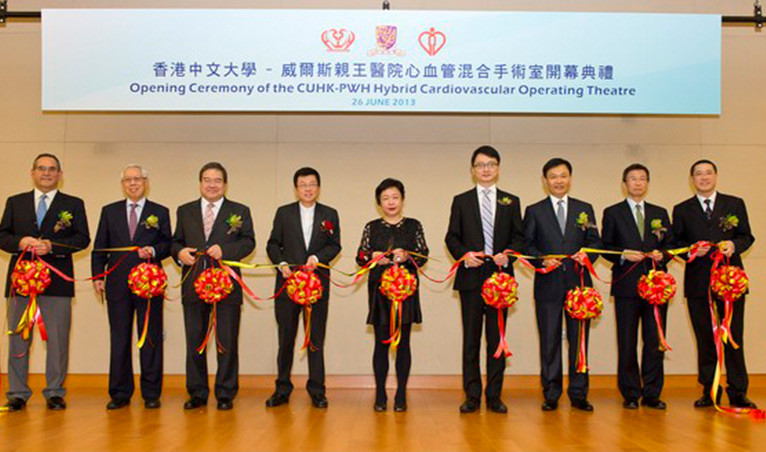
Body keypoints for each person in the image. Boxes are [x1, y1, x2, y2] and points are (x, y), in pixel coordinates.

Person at [0, 153, 90, 411]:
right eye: (41, 169)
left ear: (60, 175)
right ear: (32, 172)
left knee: (58, 339)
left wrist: (52, 246)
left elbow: (82, 239)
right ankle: (17, 392)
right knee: (17, 338)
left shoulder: (73, 203)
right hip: (20, 282)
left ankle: (54, 391)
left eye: (52, 169)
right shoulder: (15, 202)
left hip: (57, 282)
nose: (47, 173)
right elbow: (2, 236)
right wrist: (19, 242)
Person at [445, 146, 523, 414]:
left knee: (497, 338)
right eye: (480, 165)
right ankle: (472, 395)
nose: (486, 169)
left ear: (498, 168)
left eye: (491, 164)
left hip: (500, 279)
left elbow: (518, 237)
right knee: (471, 339)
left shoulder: (511, 201)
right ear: (472, 170)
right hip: (471, 277)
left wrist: (508, 255)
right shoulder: (461, 200)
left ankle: (494, 395)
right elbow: (451, 237)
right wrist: (464, 255)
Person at [672, 159, 756, 409]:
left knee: (733, 336)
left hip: (731, 281)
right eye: (698, 174)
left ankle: (738, 391)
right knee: (705, 337)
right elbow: (675, 244)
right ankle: (710, 390)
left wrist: (734, 245)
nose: (704, 177)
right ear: (692, 179)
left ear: (716, 176)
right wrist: (690, 252)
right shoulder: (682, 209)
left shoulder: (734, 203)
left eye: (708, 173)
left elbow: (746, 236)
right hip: (699, 282)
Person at [171, 162, 255, 411]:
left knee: (226, 341)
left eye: (217, 180)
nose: (212, 184)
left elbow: (249, 242)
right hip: (193, 285)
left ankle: (226, 392)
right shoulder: (185, 210)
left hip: (226, 286)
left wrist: (226, 250)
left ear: (225, 184)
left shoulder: (239, 210)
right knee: (194, 341)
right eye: (207, 180)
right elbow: (175, 241)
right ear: (200, 183)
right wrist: (180, 253)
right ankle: (197, 392)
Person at [91, 164, 172, 410]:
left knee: (150, 338)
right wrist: (98, 276)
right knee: (119, 338)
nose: (133, 183)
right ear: (123, 184)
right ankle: (119, 393)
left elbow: (169, 244)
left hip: (149, 283)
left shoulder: (160, 211)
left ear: (146, 182)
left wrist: (155, 250)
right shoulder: (109, 211)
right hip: (116, 284)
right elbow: (100, 247)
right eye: (128, 180)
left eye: (137, 179)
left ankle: (151, 393)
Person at [523, 157, 601, 412]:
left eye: (563, 175)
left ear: (570, 178)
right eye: (553, 176)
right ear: (545, 181)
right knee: (549, 340)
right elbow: (527, 245)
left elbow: (595, 242)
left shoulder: (584, 208)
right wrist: (542, 260)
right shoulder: (534, 210)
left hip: (579, 285)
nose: (559, 180)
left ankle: (579, 393)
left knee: (580, 341)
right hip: (548, 284)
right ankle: (551, 392)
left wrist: (586, 255)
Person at [265, 167, 341, 409]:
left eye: (312, 184)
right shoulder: (284, 213)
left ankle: (317, 390)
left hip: (317, 285)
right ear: (296, 188)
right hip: (288, 285)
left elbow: (335, 246)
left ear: (318, 187)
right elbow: (272, 244)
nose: (308, 188)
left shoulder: (330, 213)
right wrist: (282, 263)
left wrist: (317, 258)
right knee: (285, 338)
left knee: (316, 339)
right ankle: (282, 389)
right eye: (303, 184)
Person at [601, 164, 673, 410]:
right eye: (633, 179)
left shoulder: (660, 212)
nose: (638, 183)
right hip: (626, 286)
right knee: (627, 340)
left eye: (642, 179)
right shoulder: (612, 212)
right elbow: (606, 247)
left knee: (655, 340)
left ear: (648, 183)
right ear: (624, 184)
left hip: (656, 285)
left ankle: (652, 392)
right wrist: (622, 254)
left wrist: (661, 254)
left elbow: (671, 247)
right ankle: (631, 392)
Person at [357, 178, 428, 412]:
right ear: (379, 202)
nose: (391, 202)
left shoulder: (414, 225)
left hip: (405, 292)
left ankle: (401, 395)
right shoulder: (371, 227)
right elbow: (360, 256)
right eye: (385, 198)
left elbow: (423, 255)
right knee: (381, 343)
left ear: (403, 199)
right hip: (379, 292)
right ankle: (379, 394)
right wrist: (374, 256)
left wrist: (407, 256)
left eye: (395, 197)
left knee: (404, 344)